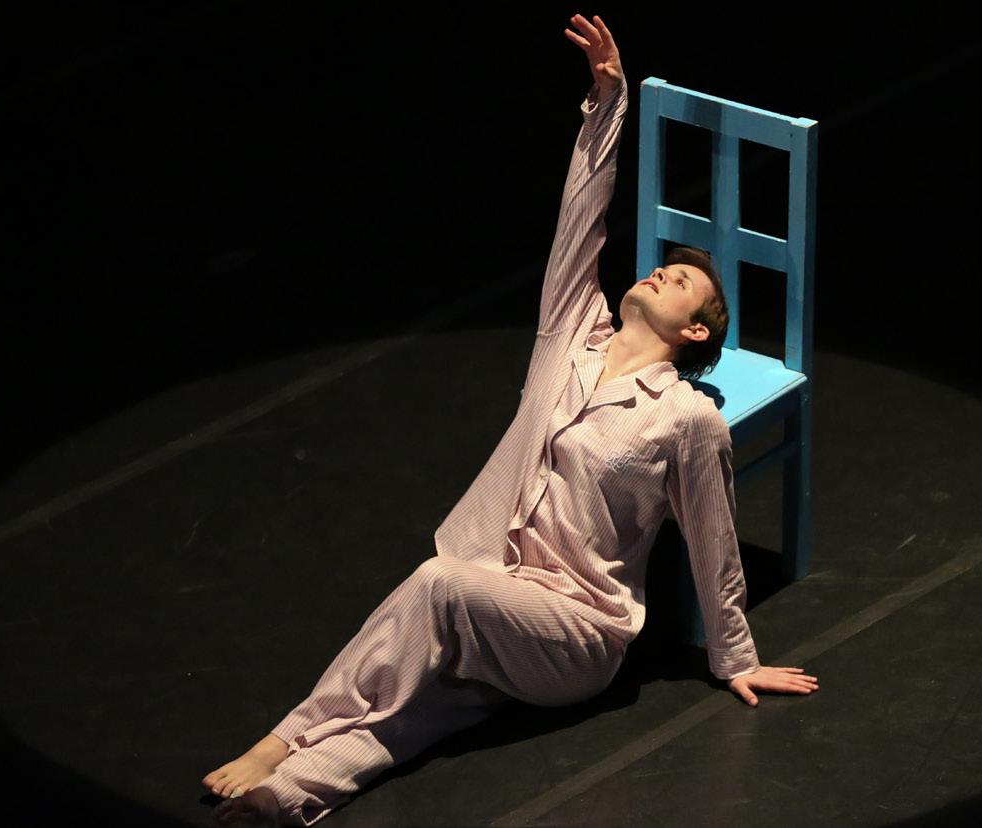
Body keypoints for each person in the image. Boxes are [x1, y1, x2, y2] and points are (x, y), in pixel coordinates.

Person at [204, 14, 819, 827]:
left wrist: (735, 658)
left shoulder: (683, 418)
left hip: (577, 633)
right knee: (417, 709)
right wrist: (607, 104)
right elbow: (580, 221)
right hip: (498, 586)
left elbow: (714, 537)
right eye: (664, 269)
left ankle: (282, 739)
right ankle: (286, 797)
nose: (662, 274)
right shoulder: (569, 339)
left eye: (682, 285)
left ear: (697, 333)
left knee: (437, 584)